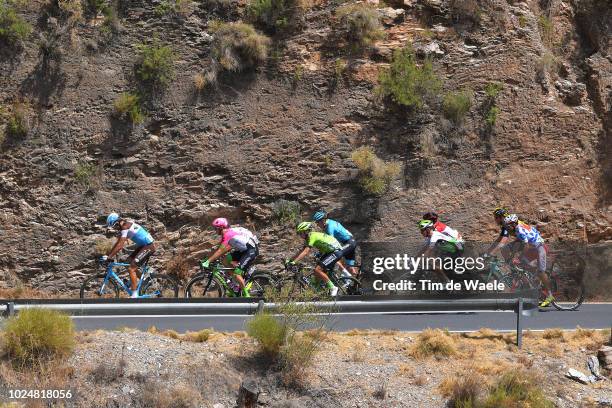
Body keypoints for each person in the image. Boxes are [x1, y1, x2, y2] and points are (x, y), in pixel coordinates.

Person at [503, 214, 554, 307]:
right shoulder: (518, 226)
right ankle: (535, 279)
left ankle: (550, 295)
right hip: (533, 248)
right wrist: (514, 255)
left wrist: (518, 257)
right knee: (523, 264)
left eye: (509, 225)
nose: (507, 227)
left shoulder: (519, 229)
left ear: (514, 223)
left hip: (540, 248)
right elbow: (520, 242)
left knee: (541, 272)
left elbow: (525, 245)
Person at [200, 218, 259, 298]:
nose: (215, 230)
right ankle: (236, 284)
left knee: (237, 273)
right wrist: (207, 259)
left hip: (251, 250)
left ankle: (246, 295)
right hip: (244, 249)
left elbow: (221, 250)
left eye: (215, 228)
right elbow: (219, 249)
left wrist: (208, 261)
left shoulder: (227, 234)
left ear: (221, 227)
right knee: (225, 259)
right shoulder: (228, 233)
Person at [103, 213, 156, 298]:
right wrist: (108, 255)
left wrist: (109, 257)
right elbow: (117, 243)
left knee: (131, 268)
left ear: (118, 222)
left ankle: (134, 294)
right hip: (143, 246)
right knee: (127, 262)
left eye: (115, 225)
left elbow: (120, 246)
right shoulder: (125, 225)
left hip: (148, 246)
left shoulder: (125, 227)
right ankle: (145, 279)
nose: (115, 228)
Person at [285, 221, 342, 296]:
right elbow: (301, 251)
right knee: (317, 272)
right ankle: (318, 290)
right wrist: (291, 260)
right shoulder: (308, 238)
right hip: (329, 252)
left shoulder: (312, 236)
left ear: (306, 231)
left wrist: (294, 262)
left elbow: (305, 252)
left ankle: (333, 287)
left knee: (317, 270)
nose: (300, 235)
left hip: (335, 251)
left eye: (300, 233)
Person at [312, 210, 358, 277]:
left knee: (335, 255)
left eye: (317, 222)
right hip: (349, 242)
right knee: (350, 267)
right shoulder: (329, 224)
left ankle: (346, 277)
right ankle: (357, 282)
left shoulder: (330, 227)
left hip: (349, 243)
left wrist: (321, 253)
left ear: (322, 220)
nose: (317, 224)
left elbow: (330, 242)